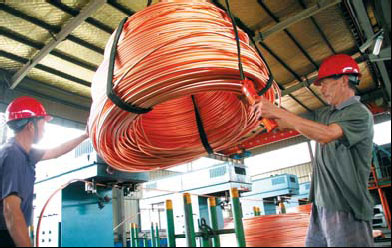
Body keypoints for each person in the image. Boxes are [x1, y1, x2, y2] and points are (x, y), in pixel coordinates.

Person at [256, 54, 375, 247]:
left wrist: (276, 111)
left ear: (344, 81)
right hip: (321, 207)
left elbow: (326, 135)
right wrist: (259, 107)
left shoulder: (359, 113)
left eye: (325, 84)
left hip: (346, 207)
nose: (322, 90)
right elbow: (287, 122)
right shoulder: (326, 114)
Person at [0, 96, 89, 247]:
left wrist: (85, 135)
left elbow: (57, 151)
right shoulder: (12, 155)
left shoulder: (26, 153)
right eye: (43, 122)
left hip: (10, 233)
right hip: (5, 235)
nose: (45, 128)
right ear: (30, 125)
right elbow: (11, 209)